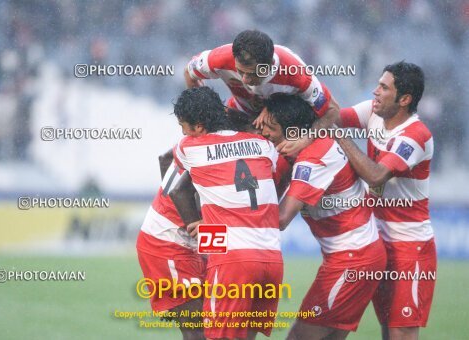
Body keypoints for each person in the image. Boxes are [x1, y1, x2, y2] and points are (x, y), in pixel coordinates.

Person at [261, 93, 387, 340]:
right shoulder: (308, 145)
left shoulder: (314, 159)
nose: (264, 133)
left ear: (295, 132)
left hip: (353, 260)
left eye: (271, 128)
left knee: (299, 338)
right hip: (358, 257)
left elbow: (281, 219)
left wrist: (229, 218)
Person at [334, 61, 436, 340]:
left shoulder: (415, 136)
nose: (375, 91)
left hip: (409, 248)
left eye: (383, 87)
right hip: (375, 244)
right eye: (378, 84)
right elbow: (331, 118)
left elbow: (376, 175)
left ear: (404, 99)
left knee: (400, 332)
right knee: (386, 330)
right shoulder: (373, 111)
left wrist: (339, 137)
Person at [171, 86, 283, 340]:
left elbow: (177, 186)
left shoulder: (189, 147)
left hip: (234, 263)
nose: (182, 132)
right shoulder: (263, 144)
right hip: (272, 260)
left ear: (198, 127)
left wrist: (205, 228)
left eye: (183, 125)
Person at [184, 29, 339, 153]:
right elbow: (188, 73)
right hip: (240, 117)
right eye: (240, 71)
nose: (244, 80)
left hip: (281, 134)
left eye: (252, 74)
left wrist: (304, 139)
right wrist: (207, 117)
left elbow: (332, 110)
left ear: (270, 64)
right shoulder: (219, 58)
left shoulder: (296, 75)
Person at [136, 151, 206, 340]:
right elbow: (178, 192)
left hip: (176, 241)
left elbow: (165, 158)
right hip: (168, 243)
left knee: (210, 324)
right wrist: (196, 232)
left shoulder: (191, 142)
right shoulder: (215, 146)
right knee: (199, 330)